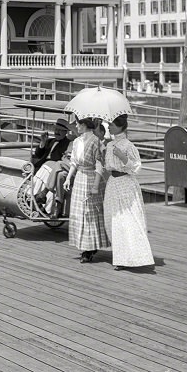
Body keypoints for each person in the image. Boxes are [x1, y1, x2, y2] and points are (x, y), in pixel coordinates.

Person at [100, 114, 154, 270]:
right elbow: (108, 166)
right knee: (114, 219)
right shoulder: (110, 145)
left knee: (129, 218)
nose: (108, 127)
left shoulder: (128, 145)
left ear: (120, 127)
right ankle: (121, 256)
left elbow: (136, 167)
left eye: (111, 124)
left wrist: (123, 157)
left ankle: (136, 255)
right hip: (113, 183)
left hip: (125, 183)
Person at [63, 116, 109, 263]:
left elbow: (100, 165)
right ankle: (85, 246)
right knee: (79, 212)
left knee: (90, 213)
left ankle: (89, 249)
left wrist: (96, 185)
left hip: (91, 178)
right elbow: (74, 162)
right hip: (80, 178)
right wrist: (68, 178)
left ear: (84, 125)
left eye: (77, 123)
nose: (76, 126)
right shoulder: (77, 142)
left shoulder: (96, 141)